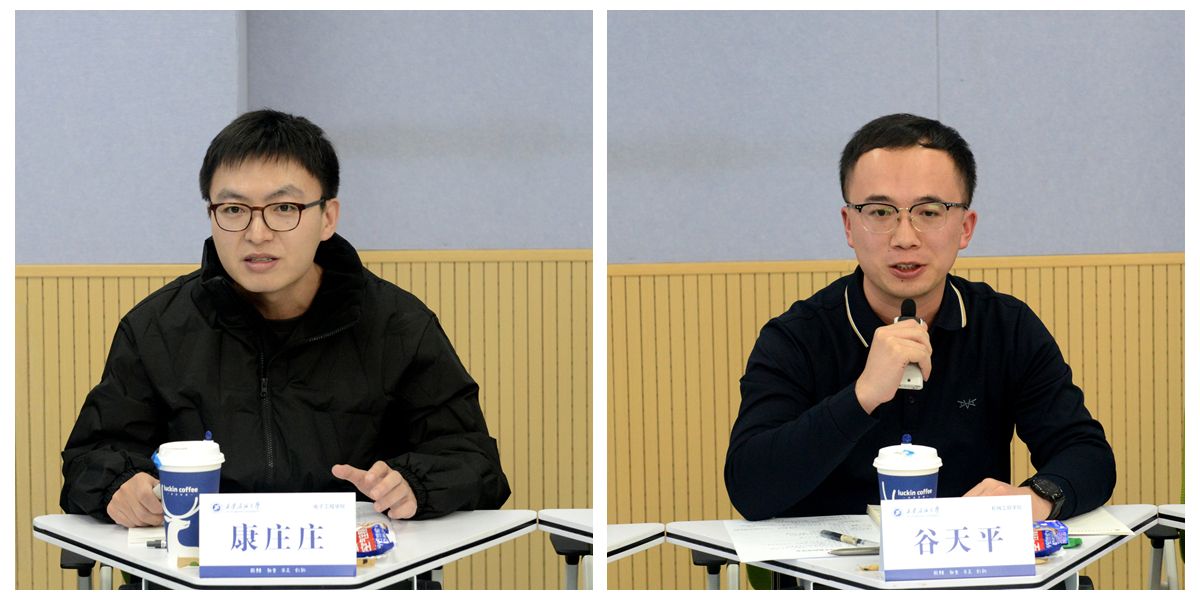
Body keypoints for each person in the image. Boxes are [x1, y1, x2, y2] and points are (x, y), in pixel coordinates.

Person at [60, 109, 511, 527]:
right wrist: (118, 485)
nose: (257, 234)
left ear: (327, 217)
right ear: (211, 215)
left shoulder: (399, 326)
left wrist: (415, 483)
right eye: (233, 210)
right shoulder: (156, 328)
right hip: (195, 570)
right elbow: (90, 456)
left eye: (283, 209)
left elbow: (474, 461)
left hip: (361, 569)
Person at [724, 113, 1115, 522]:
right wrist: (862, 396)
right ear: (849, 226)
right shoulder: (796, 338)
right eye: (880, 212)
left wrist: (1035, 498)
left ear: (965, 227)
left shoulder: (1006, 327)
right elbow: (750, 488)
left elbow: (1087, 454)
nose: (905, 238)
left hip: (967, 558)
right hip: (831, 563)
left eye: (929, 212)